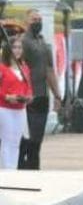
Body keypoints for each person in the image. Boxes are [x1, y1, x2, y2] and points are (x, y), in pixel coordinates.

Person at [18, 9, 62, 170]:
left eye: (39, 19)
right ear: (26, 21)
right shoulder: (23, 42)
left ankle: (34, 171)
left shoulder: (43, 43)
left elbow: (50, 70)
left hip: (43, 96)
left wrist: (57, 95)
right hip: (28, 97)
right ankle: (23, 170)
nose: (37, 22)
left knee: (37, 140)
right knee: (26, 141)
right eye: (34, 19)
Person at [0, 35, 32, 169]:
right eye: (14, 47)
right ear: (8, 49)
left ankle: (12, 169)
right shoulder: (2, 68)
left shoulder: (25, 68)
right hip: (5, 108)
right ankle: (6, 171)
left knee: (16, 142)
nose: (18, 50)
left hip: (20, 108)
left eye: (20, 47)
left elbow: (28, 87)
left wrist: (29, 96)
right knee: (7, 141)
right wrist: (6, 97)